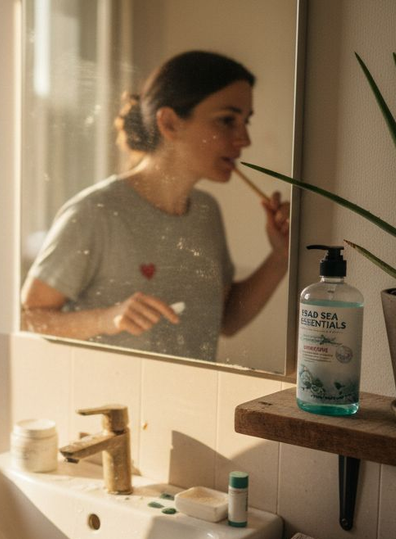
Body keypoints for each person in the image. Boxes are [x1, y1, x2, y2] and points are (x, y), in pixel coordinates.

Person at [21, 50, 290, 361]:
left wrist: (280, 256)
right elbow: (28, 318)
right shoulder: (96, 212)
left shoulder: (206, 212)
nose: (244, 139)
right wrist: (108, 319)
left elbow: (225, 321)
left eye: (245, 122)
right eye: (227, 120)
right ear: (170, 123)